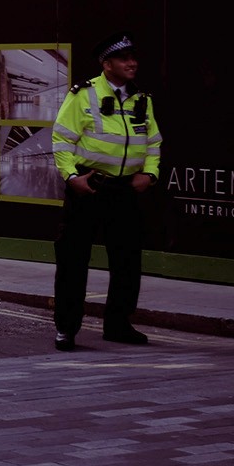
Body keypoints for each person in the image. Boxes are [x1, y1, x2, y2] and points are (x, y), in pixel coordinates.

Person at [50, 32, 162, 352]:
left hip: (125, 191)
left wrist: (150, 174)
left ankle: (118, 324)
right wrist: (72, 177)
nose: (133, 63)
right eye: (125, 59)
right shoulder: (83, 95)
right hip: (89, 188)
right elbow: (62, 141)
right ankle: (67, 329)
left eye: (134, 57)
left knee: (127, 261)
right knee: (73, 261)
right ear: (107, 63)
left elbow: (153, 143)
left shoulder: (142, 99)